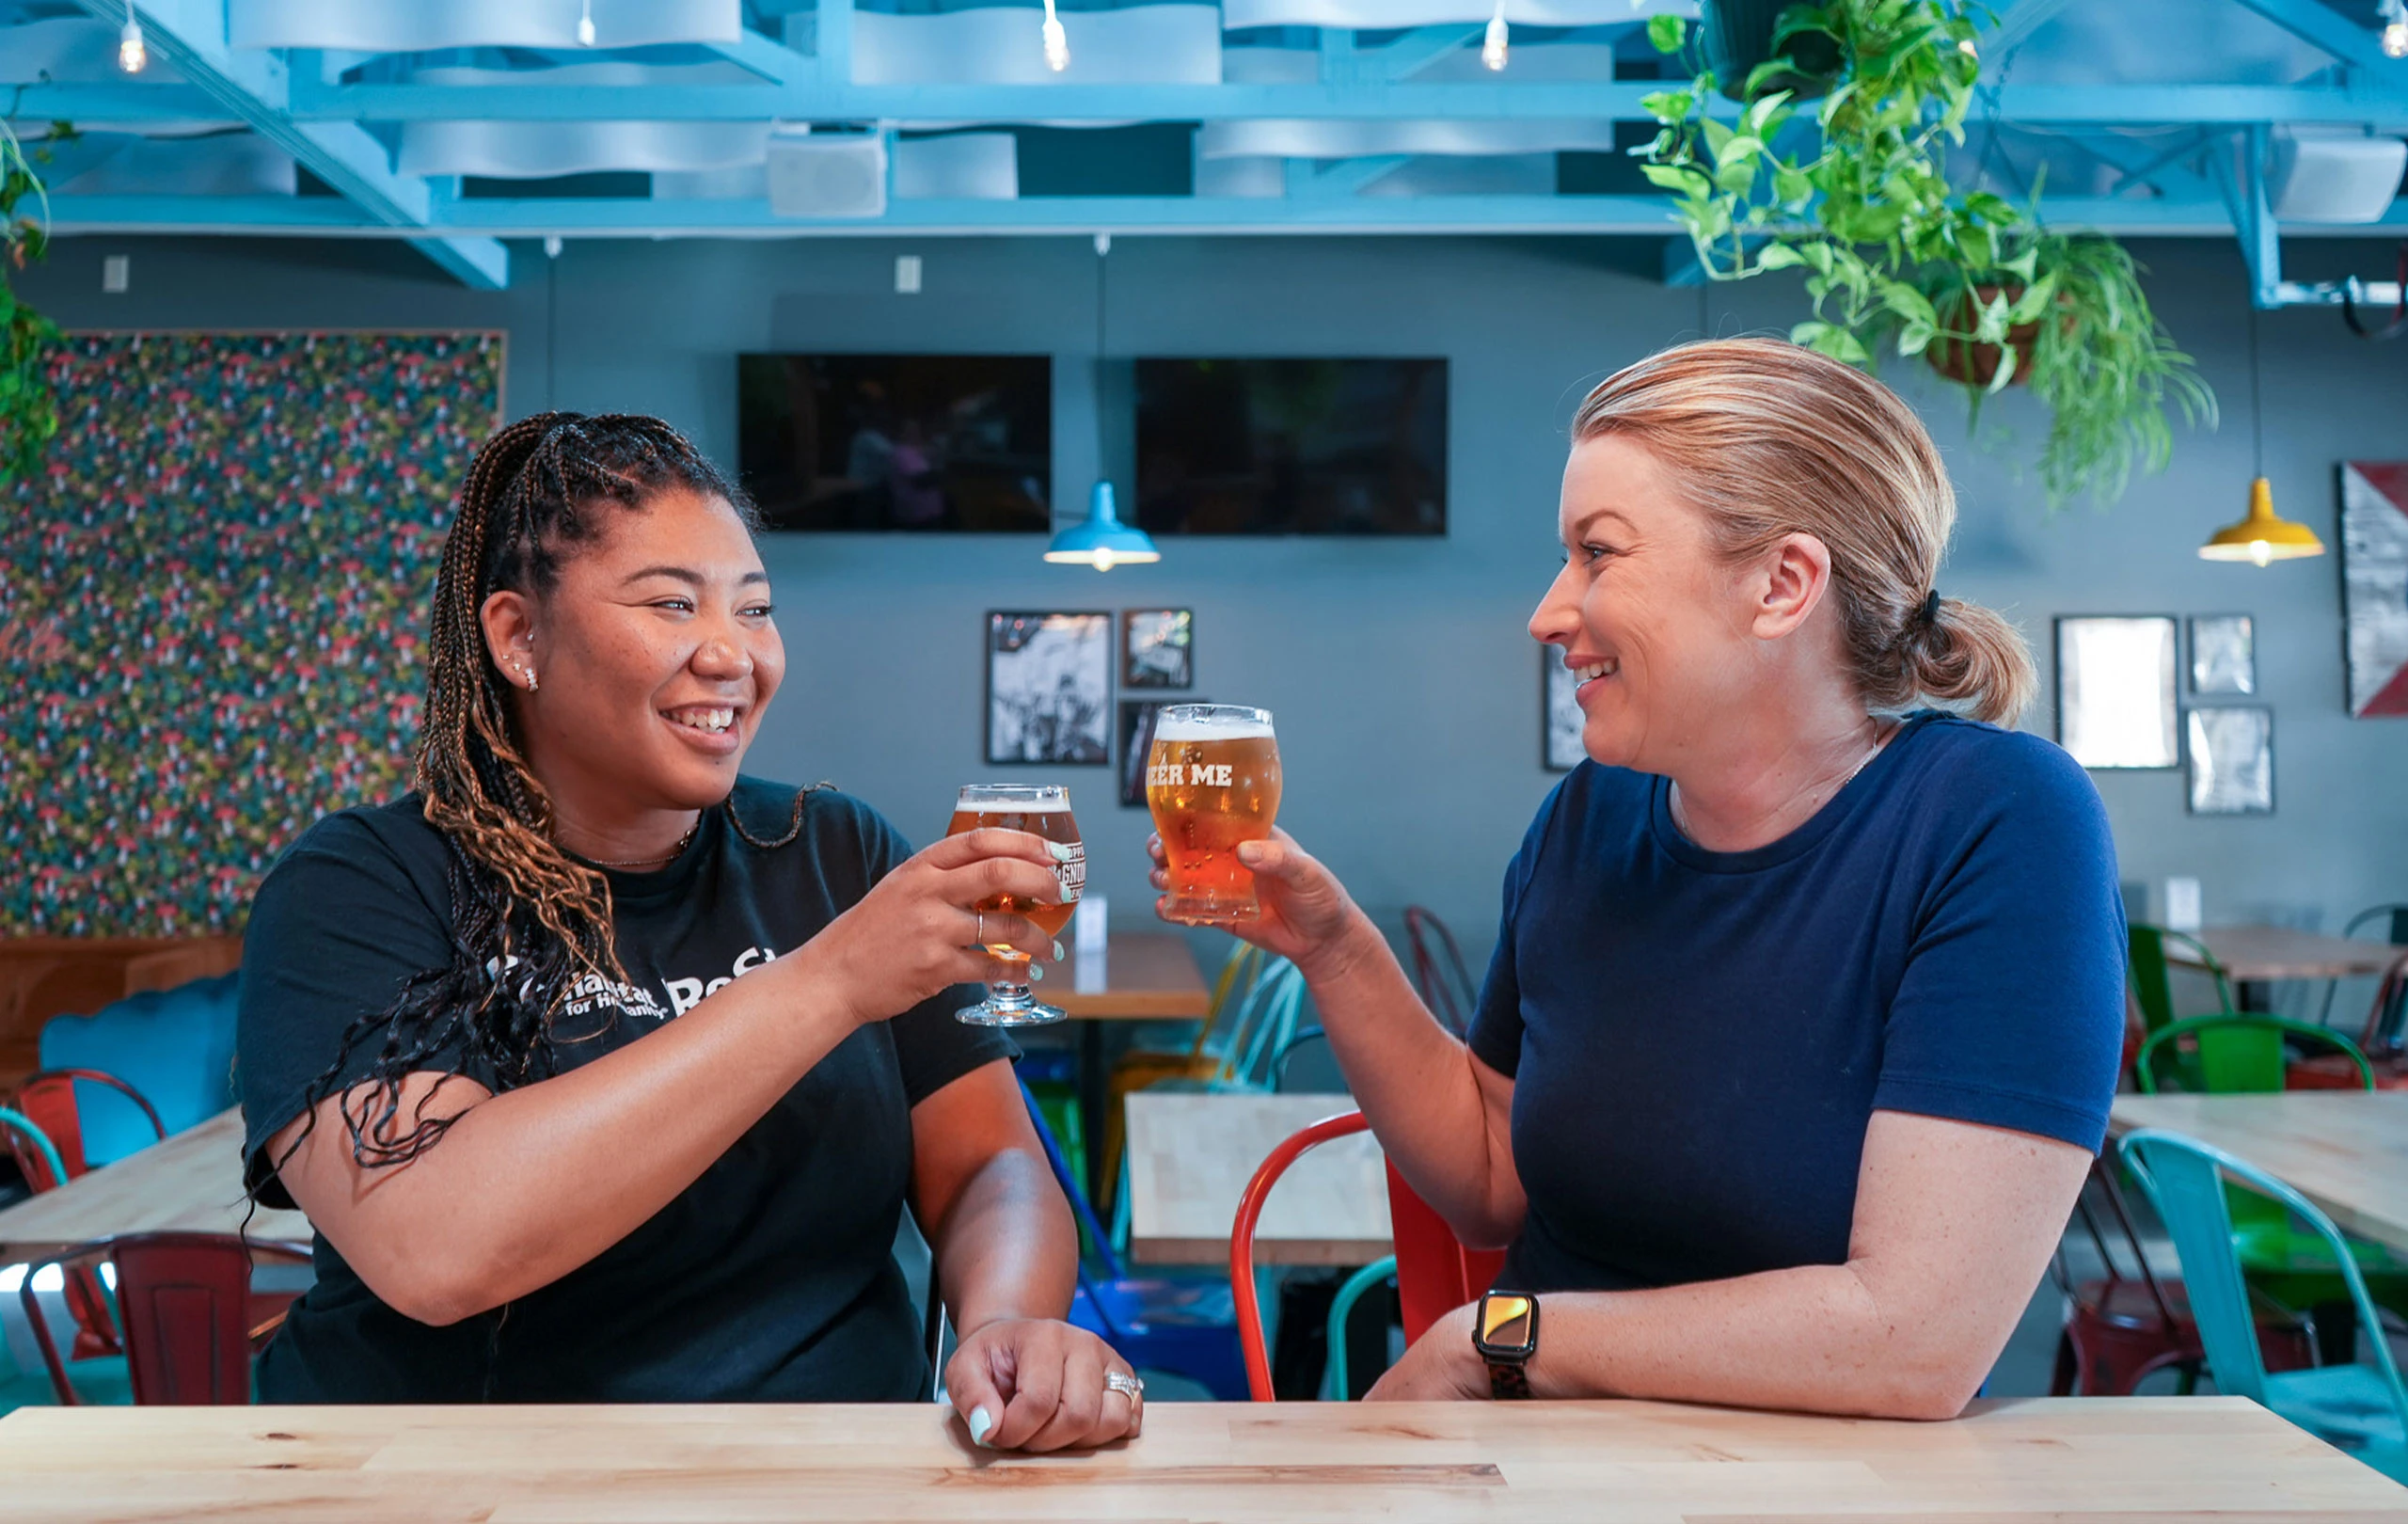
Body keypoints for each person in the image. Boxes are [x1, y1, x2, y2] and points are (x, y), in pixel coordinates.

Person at [1156, 340, 2123, 1417]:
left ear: (1781, 585)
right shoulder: (1591, 817)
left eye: (1597, 555)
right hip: (1539, 1470)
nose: (1548, 612)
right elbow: (1487, 1174)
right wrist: (1334, 950)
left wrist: (1501, 1342)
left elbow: (1913, 1339)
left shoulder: (1994, 820)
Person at [240, 412, 1138, 1452]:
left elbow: (992, 1164)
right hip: (461, 1486)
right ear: (517, 636)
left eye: (754, 610)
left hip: (824, 1479)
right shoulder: (363, 885)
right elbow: (435, 1247)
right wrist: (827, 982)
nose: (733, 654)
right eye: (672, 603)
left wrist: (1006, 1319)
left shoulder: (832, 852)